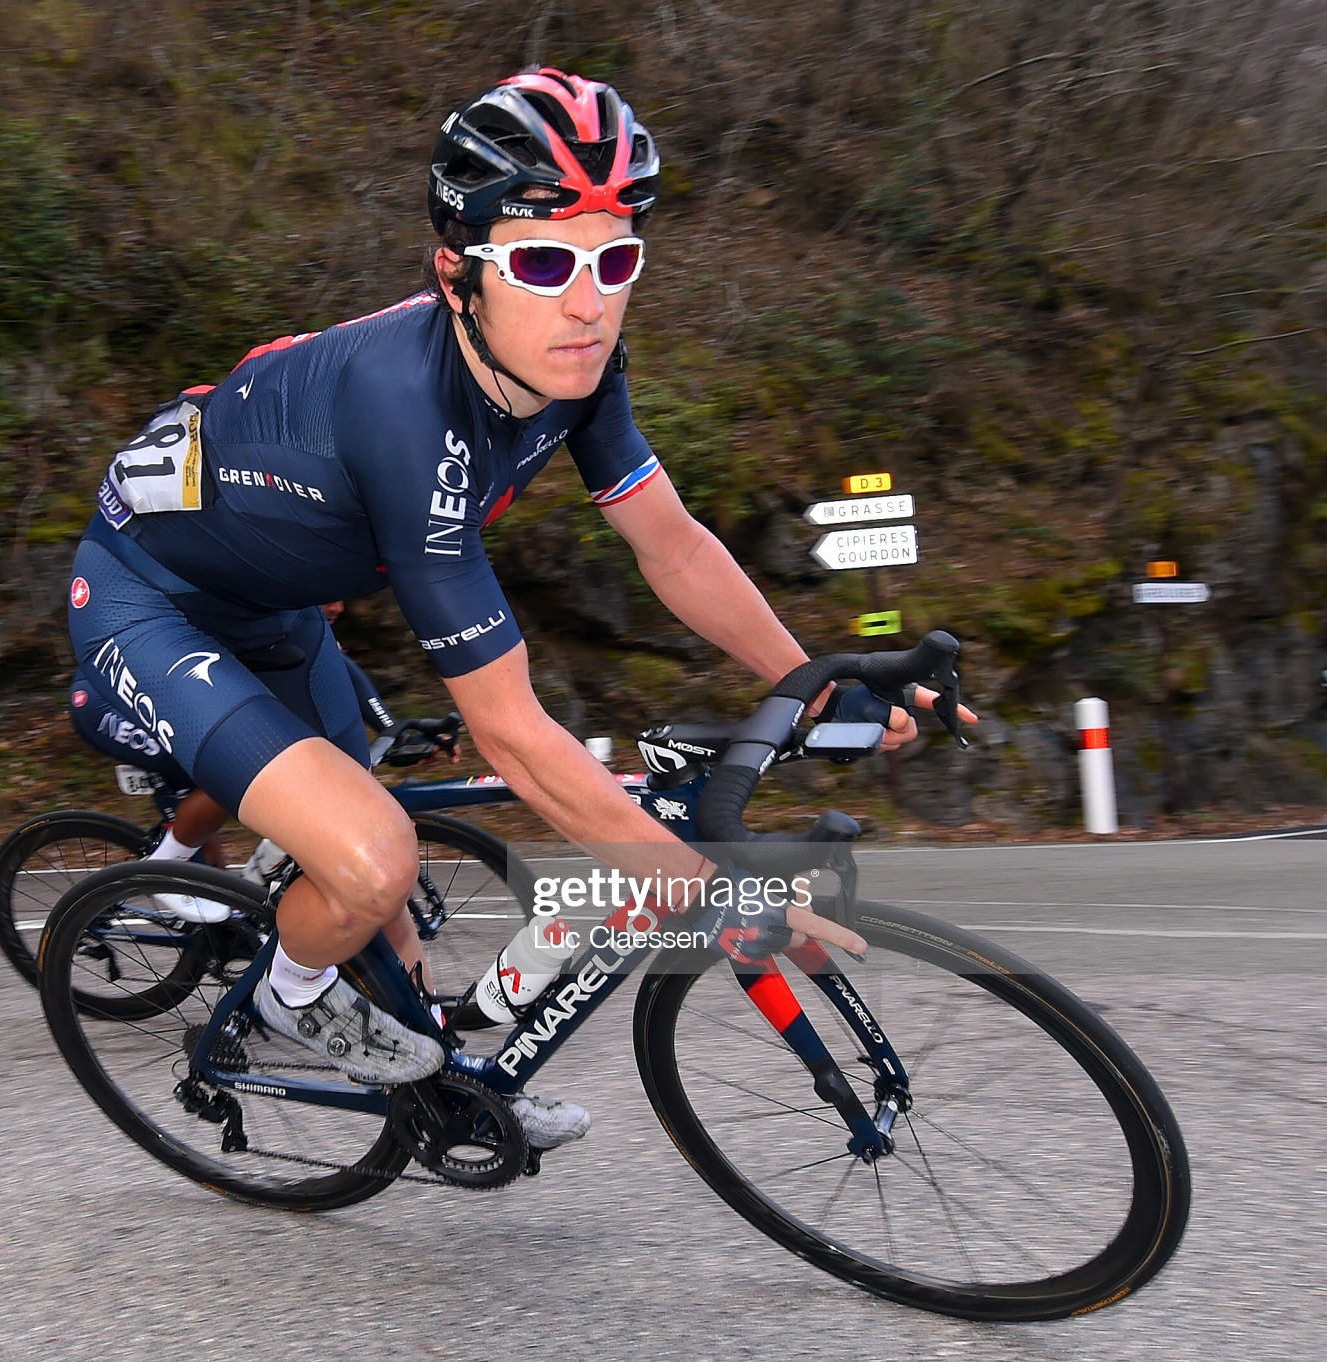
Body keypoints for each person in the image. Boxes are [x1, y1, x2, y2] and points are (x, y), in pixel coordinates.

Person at [66, 69, 959, 1152]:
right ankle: (278, 999)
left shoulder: (578, 370)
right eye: (541, 261)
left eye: (613, 258)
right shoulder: (408, 416)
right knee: (370, 858)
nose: (586, 303)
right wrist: (705, 893)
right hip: (147, 598)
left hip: (282, 606)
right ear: (457, 275)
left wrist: (807, 681)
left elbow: (671, 544)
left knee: (389, 915)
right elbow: (514, 736)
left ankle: (439, 1079)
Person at [69, 601, 446, 924]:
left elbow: (340, 672)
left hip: (180, 696)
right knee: (231, 769)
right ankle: (164, 865)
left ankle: (209, 899)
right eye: (332, 598)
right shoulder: (266, 605)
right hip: (109, 703)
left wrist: (393, 729)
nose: (338, 607)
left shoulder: (302, 616)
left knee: (228, 797)